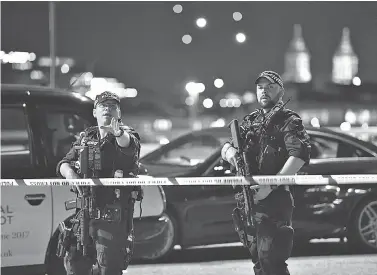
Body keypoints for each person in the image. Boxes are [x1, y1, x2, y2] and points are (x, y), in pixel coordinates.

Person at [221, 71, 311, 275]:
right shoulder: (250, 120)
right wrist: (231, 153)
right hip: (249, 201)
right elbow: (226, 146)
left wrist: (270, 186)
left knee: (272, 259)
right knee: (259, 262)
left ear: (281, 91)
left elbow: (298, 155)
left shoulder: (288, 120)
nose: (264, 91)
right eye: (260, 87)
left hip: (275, 199)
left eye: (270, 87)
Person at [56, 91, 142, 275]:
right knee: (75, 266)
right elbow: (63, 163)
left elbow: (128, 145)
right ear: (95, 112)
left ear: (119, 113)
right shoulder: (87, 137)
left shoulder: (126, 135)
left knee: (108, 270)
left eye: (113, 107)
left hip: (112, 219)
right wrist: (70, 173)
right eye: (103, 106)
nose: (107, 110)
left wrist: (118, 133)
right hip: (83, 216)